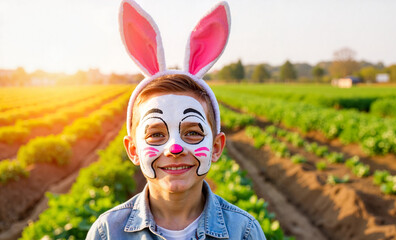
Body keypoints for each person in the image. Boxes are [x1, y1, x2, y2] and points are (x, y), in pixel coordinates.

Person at [86, 0, 266, 239]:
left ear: (215, 147)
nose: (175, 148)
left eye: (192, 132)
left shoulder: (244, 231)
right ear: (133, 149)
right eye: (156, 134)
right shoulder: (107, 231)